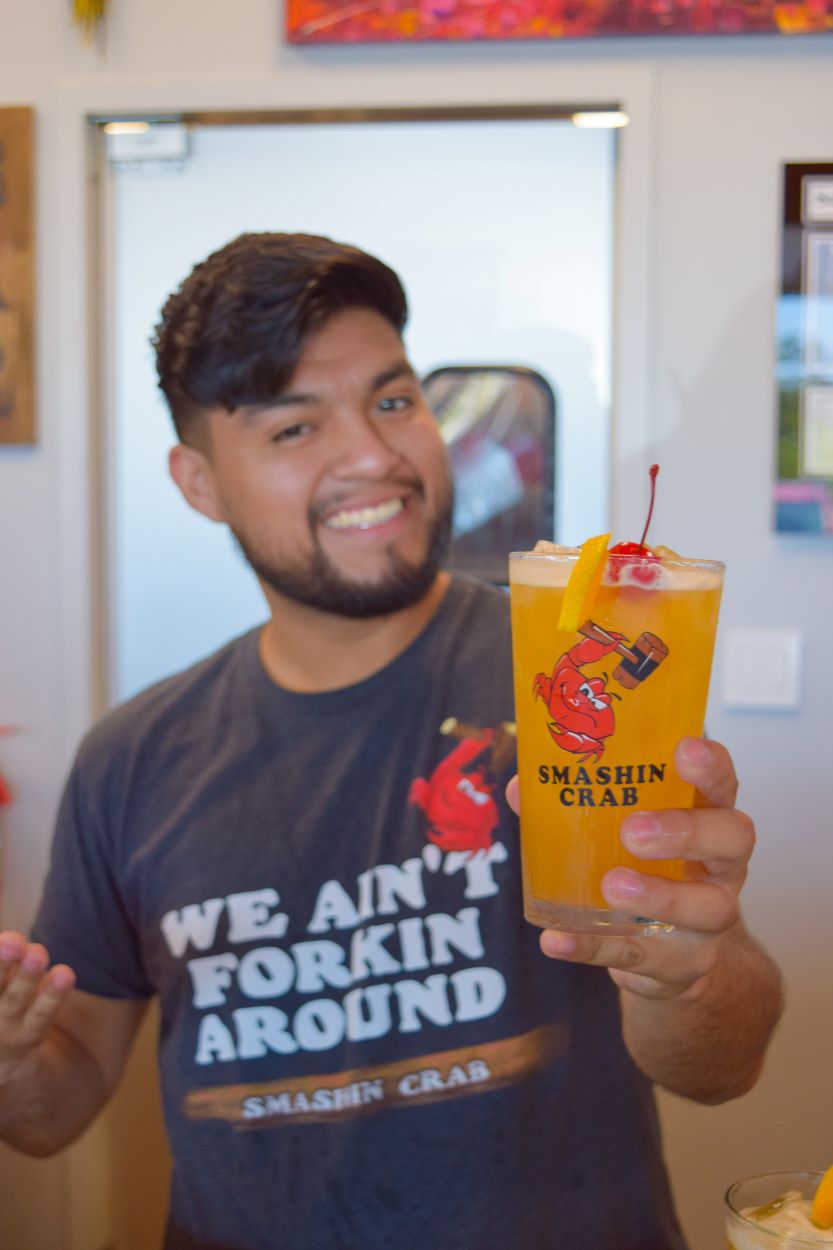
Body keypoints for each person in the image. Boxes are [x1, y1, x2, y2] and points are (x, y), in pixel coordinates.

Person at [0, 233, 782, 1250]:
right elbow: (53, 1111)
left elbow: (718, 1064)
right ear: (198, 481)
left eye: (392, 399)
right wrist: (14, 1065)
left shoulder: (573, 682)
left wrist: (692, 968)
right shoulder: (132, 758)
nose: (373, 454)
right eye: (292, 427)